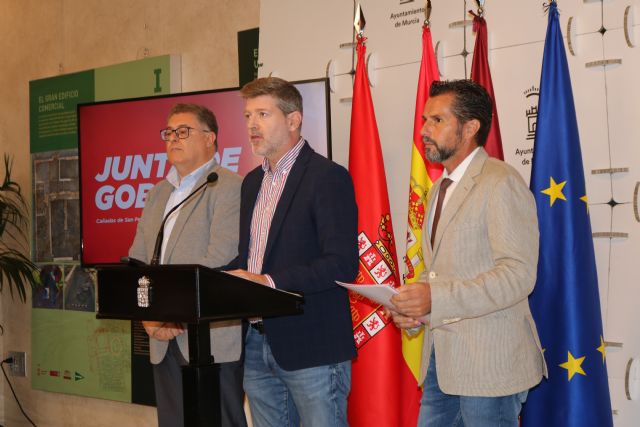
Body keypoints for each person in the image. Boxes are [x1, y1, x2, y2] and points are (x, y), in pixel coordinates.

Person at [388, 80, 547, 426]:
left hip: (489, 366)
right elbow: (440, 271)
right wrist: (413, 306)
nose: (424, 130)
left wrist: (434, 298)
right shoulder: (438, 189)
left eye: (437, 120)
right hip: (440, 363)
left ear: (470, 128)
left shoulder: (500, 181)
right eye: (425, 120)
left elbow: (518, 275)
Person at [226, 77, 358, 427]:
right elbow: (250, 260)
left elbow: (341, 264)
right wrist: (213, 279)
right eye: (248, 115)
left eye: (263, 114)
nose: (252, 124)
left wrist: (268, 282)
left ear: (293, 119)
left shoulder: (327, 177)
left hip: (312, 343)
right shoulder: (252, 183)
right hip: (257, 342)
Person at [128, 103, 246, 427]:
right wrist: (150, 318)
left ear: (210, 138)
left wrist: (169, 312)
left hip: (209, 337)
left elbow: (219, 257)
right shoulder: (157, 193)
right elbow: (138, 260)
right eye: (169, 132)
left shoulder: (229, 186)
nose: (173, 139)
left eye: (183, 131)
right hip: (162, 336)